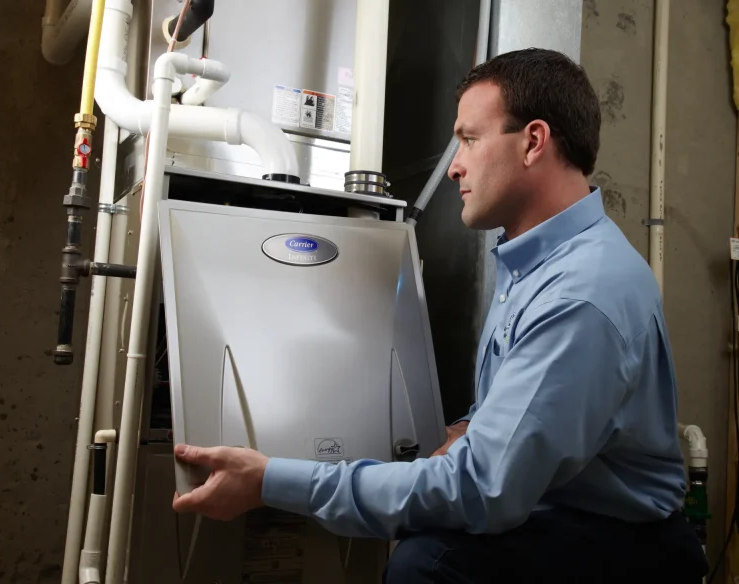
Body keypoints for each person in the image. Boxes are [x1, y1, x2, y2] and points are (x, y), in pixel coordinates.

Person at [171, 48, 709, 582]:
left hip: (619, 545)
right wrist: (471, 427)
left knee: (426, 564)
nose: (454, 166)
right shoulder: (539, 259)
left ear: (533, 142)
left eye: (470, 139)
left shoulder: (580, 294)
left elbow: (480, 489)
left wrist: (270, 481)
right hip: (560, 512)